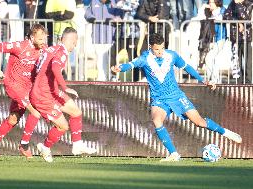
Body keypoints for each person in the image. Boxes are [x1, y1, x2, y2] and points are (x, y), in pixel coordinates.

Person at [111, 33, 242, 162]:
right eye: (157, 49)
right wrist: (119, 68)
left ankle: (225, 132)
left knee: (199, 122)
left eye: (162, 48)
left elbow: (187, 67)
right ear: (150, 47)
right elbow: (130, 64)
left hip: (176, 96)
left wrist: (203, 81)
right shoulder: (144, 58)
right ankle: (174, 154)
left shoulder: (171, 55)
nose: (160, 51)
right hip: (159, 99)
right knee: (157, 121)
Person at [30, 27, 96, 163]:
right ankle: (46, 146)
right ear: (71, 40)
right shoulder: (62, 52)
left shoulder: (52, 49)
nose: (76, 45)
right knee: (63, 126)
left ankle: (77, 145)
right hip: (43, 94)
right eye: (75, 42)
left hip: (51, 90)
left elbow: (38, 66)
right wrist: (65, 87)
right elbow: (54, 68)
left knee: (76, 112)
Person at [0, 24, 47, 159]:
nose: (43, 42)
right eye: (40, 39)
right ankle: (24, 145)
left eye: (44, 39)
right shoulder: (20, 46)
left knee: (13, 120)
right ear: (32, 37)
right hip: (13, 85)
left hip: (27, 88)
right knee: (35, 112)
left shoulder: (43, 49)